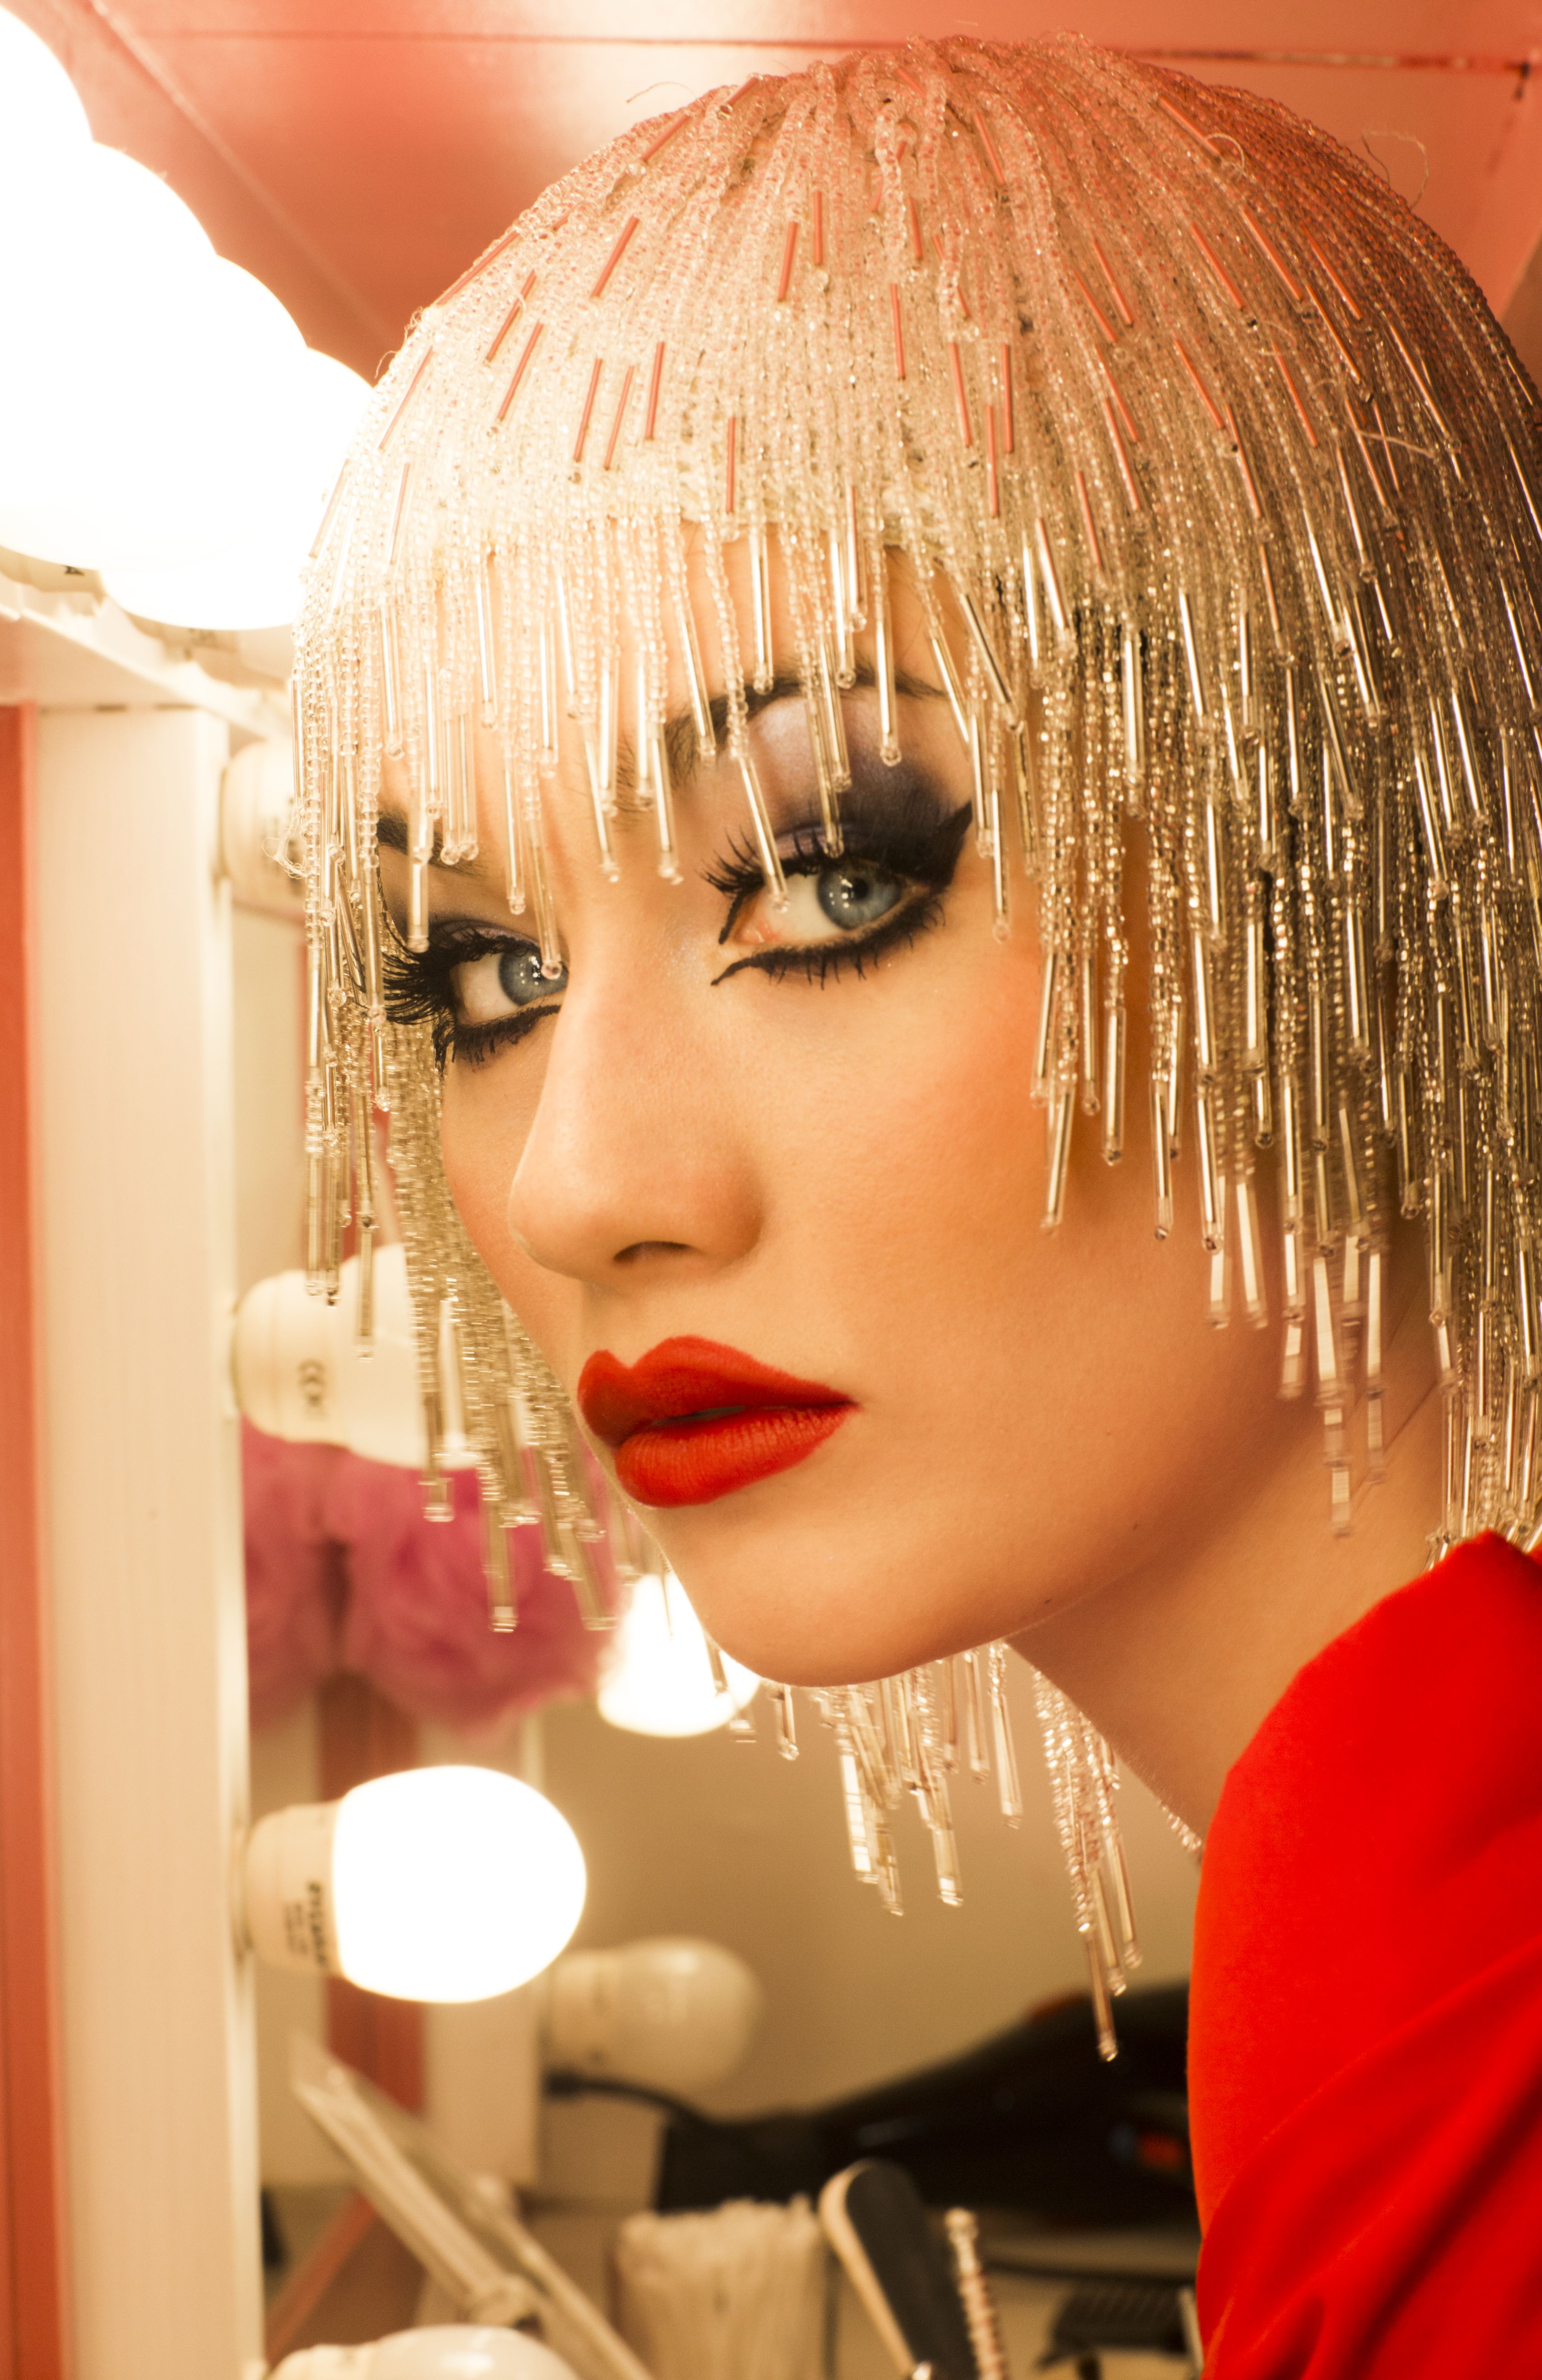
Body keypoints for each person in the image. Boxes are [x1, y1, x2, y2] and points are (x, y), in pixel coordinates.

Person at [291, 37, 1542, 2369]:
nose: (581, 1184)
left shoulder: (1483, 2063)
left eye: (828, 876)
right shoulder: (1393, 1947)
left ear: (1348, 859)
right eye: (481, 976)